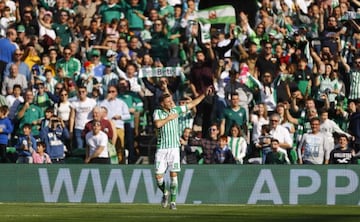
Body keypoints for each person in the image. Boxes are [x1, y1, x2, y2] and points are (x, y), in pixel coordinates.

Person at [154, 87, 212, 210]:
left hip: (174, 148)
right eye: (168, 101)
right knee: (158, 178)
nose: (171, 102)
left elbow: (192, 104)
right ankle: (165, 192)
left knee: (173, 175)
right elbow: (158, 124)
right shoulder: (157, 113)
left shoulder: (176, 110)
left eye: (171, 100)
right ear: (162, 104)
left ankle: (173, 202)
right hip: (162, 148)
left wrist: (204, 95)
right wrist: (169, 118)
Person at [100, 85, 130, 164]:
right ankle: (111, 164)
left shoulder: (121, 103)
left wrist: (120, 116)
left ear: (116, 93)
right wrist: (106, 99)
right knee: (109, 148)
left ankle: (121, 164)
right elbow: (99, 109)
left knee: (119, 147)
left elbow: (128, 116)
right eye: (109, 91)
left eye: (113, 91)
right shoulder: (104, 102)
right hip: (107, 128)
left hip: (118, 127)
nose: (111, 93)